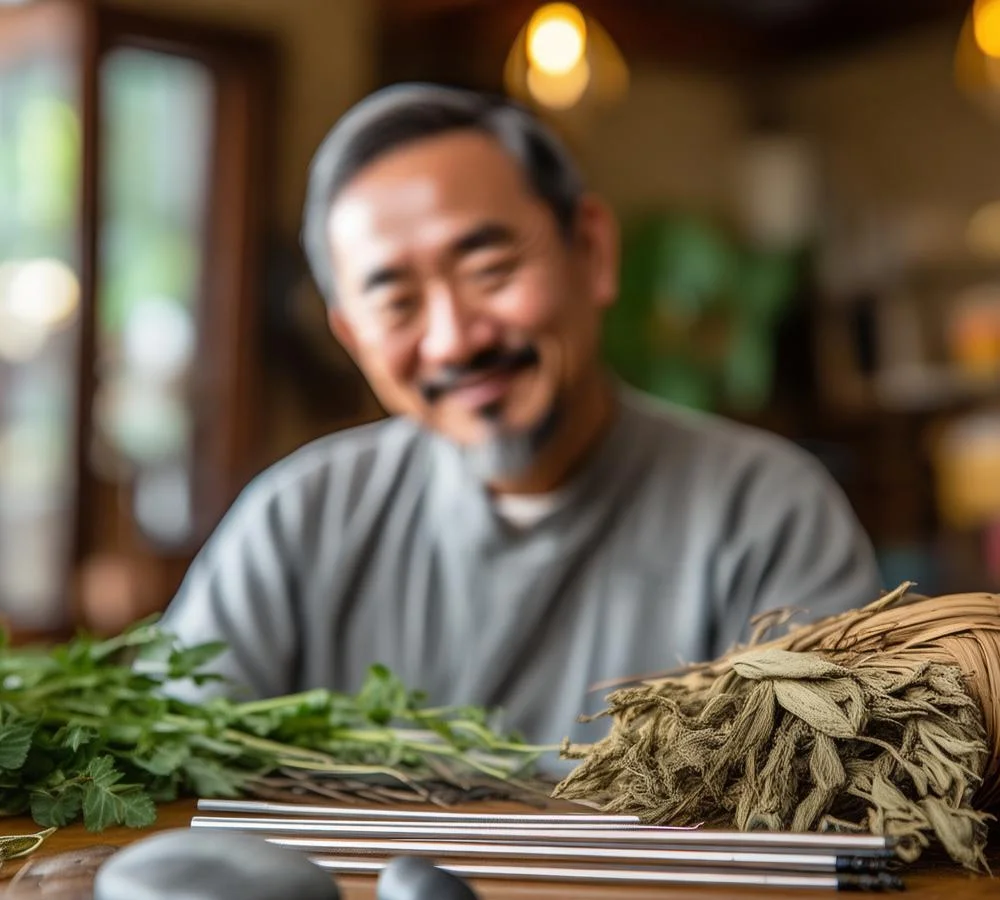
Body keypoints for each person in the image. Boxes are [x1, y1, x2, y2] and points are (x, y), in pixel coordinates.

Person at [161, 83, 883, 750]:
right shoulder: (295, 521)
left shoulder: (767, 512)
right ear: (353, 337)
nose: (454, 338)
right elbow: (167, 762)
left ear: (592, 252)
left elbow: (820, 800)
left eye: (491, 270)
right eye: (397, 303)